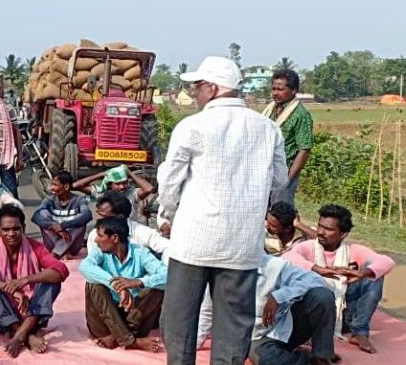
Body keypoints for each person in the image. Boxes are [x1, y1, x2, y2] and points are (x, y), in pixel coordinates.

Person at [157, 56, 288, 364]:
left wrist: (167, 214)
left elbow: (170, 181)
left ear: (213, 88)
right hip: (241, 244)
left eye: (198, 87)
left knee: (179, 320)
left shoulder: (192, 126)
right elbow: (280, 180)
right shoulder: (267, 128)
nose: (195, 93)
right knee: (233, 326)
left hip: (194, 242)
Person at [283, 204, 395, 354]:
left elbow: (387, 261)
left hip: (345, 314)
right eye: (319, 226)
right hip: (314, 311)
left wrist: (362, 273)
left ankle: (360, 331)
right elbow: (287, 257)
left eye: (328, 229)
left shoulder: (353, 250)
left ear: (343, 234)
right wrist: (318, 269)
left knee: (374, 275)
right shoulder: (307, 247)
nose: (321, 232)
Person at [0, 205, 69, 358]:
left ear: (24, 228)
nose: (11, 234)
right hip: (0, 317)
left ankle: (19, 335)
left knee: (52, 280)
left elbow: (60, 269)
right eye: (6, 230)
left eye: (16, 229)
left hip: (31, 313)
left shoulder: (35, 247)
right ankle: (25, 335)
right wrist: (9, 289)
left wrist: (26, 280)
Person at [80, 216, 167, 352]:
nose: (96, 240)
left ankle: (118, 336)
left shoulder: (140, 253)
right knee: (93, 285)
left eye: (100, 236)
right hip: (104, 323)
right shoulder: (100, 253)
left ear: (114, 238)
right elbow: (84, 267)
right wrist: (117, 286)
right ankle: (129, 340)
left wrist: (138, 282)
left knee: (158, 288)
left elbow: (167, 275)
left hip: (134, 320)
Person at [249, 255, 337, 365]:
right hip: (256, 337)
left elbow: (316, 279)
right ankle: (304, 359)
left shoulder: (273, 264)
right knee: (268, 359)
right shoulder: (225, 271)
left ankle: (321, 356)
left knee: (321, 296)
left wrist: (279, 296)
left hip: (284, 327)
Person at [262, 69, 313, 205]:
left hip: (285, 170)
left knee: (280, 213)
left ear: (293, 90)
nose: (275, 93)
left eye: (280, 89)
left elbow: (304, 149)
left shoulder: (300, 114)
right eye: (273, 89)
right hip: (266, 168)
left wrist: (288, 179)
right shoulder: (270, 109)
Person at [86, 191, 169, 257]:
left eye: (104, 216)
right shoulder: (94, 236)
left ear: (120, 217)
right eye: (98, 213)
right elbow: (93, 265)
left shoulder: (142, 232)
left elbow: (169, 249)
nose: (97, 218)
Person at [31, 171, 92, 258]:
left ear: (66, 187)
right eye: (51, 185)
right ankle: (61, 251)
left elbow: (87, 215)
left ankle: (57, 252)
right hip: (52, 244)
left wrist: (63, 225)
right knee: (43, 214)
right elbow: (36, 216)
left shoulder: (79, 200)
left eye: (55, 185)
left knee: (80, 219)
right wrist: (55, 228)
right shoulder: (49, 200)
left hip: (73, 247)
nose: (51, 188)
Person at [73, 164, 154, 225]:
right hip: (109, 231)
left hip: (130, 229)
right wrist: (100, 174)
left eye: (124, 183)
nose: (122, 187)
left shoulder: (132, 193)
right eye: (118, 184)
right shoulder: (101, 193)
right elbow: (75, 185)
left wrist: (130, 173)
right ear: (110, 184)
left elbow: (149, 188)